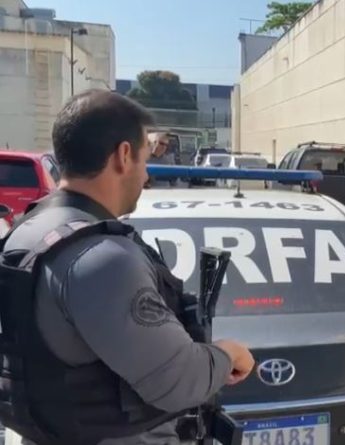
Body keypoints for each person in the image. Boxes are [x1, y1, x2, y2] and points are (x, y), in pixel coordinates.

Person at [0, 90, 255, 445]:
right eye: (144, 159)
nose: (146, 176)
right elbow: (178, 379)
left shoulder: (27, 230)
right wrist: (229, 354)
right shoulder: (103, 258)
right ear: (123, 156)